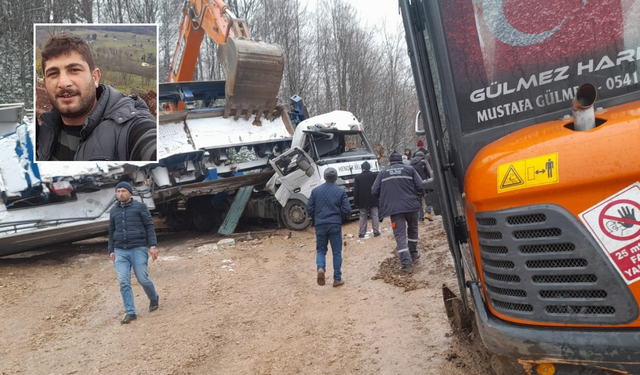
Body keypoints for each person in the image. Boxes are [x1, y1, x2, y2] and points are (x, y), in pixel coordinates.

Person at [37, 34, 157, 161]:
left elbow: (149, 144)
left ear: (95, 77)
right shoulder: (43, 133)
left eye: (74, 70)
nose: (63, 83)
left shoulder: (129, 128)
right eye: (53, 73)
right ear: (44, 84)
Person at [109, 181, 160, 324]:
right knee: (124, 282)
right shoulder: (114, 211)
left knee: (142, 279)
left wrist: (153, 246)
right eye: (118, 191)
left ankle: (153, 297)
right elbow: (111, 231)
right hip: (120, 251)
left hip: (138, 248)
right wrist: (111, 250)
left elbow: (149, 227)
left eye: (123, 191)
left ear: (130, 192)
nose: (120, 194)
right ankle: (130, 312)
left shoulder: (140, 207)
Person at [372, 151, 423, 272]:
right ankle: (413, 253)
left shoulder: (383, 173)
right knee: (413, 229)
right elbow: (421, 186)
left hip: (394, 209)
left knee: (400, 235)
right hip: (411, 206)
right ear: (401, 160)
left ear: (390, 162)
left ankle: (406, 264)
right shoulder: (409, 169)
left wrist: (386, 197)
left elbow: (374, 191)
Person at [307, 168, 351, 287]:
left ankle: (321, 268)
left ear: (324, 177)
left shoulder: (315, 191)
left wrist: (317, 218)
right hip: (335, 225)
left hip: (320, 225)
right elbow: (347, 209)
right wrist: (339, 218)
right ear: (335, 177)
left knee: (321, 250)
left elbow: (309, 209)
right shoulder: (340, 191)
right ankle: (337, 279)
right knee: (336, 252)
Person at [353, 161, 380, 238]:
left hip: (362, 200)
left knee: (362, 216)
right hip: (373, 198)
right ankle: (376, 231)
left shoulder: (358, 177)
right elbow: (378, 187)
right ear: (369, 167)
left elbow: (356, 191)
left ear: (362, 169)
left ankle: (362, 233)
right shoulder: (374, 175)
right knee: (375, 215)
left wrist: (356, 202)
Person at [410, 151, 434, 222]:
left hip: (415, 185)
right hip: (424, 182)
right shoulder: (424, 161)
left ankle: (420, 218)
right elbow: (430, 171)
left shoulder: (411, 163)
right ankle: (427, 212)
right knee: (429, 198)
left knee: (418, 201)